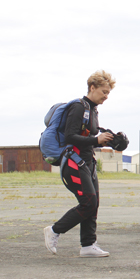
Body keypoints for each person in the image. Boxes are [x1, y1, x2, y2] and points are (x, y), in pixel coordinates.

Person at [44, 70, 115, 257]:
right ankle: (54, 230)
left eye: (108, 93)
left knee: (94, 203)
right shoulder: (78, 107)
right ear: (92, 87)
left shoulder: (93, 110)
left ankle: (88, 245)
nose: (106, 96)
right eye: (104, 92)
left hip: (87, 161)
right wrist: (96, 140)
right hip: (74, 161)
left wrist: (108, 141)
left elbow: (89, 138)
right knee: (88, 202)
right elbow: (70, 136)